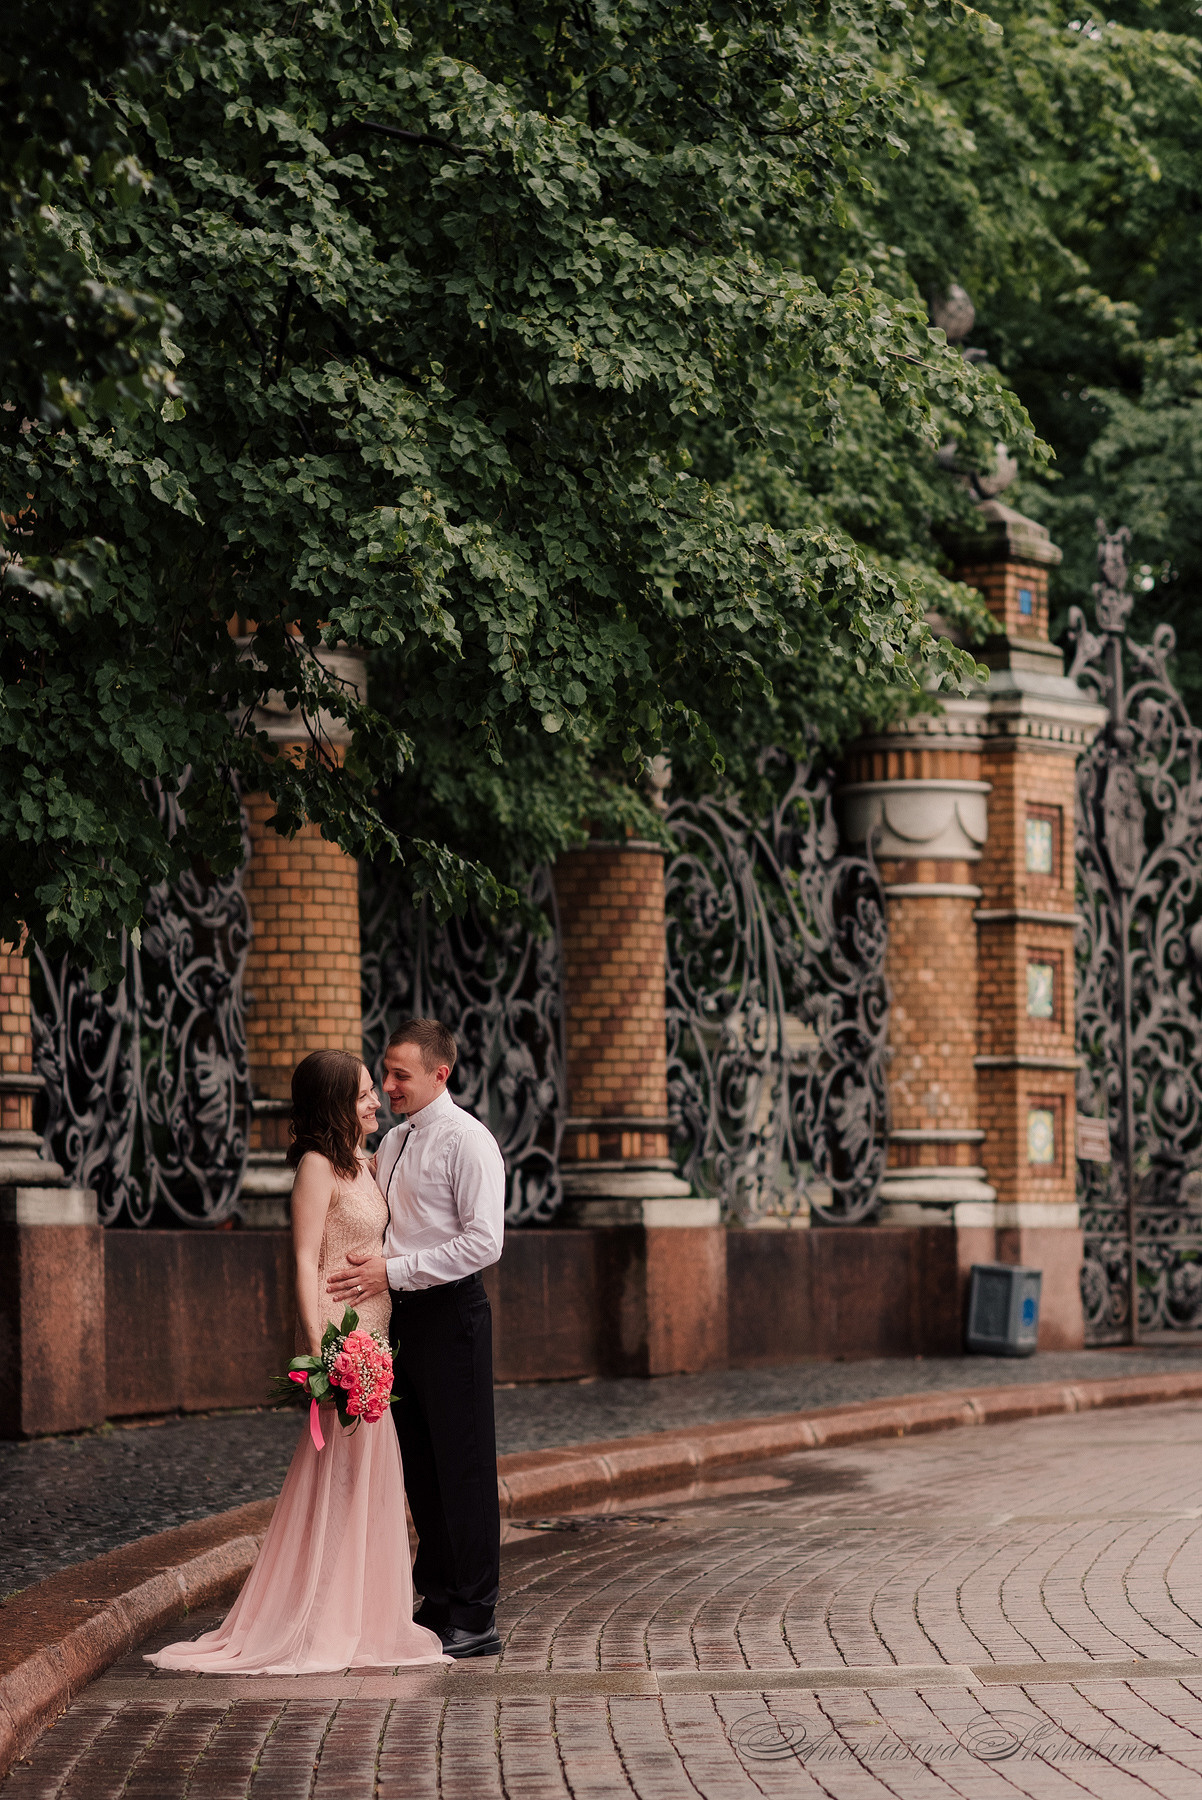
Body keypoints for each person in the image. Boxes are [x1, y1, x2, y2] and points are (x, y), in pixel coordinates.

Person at [146, 1050, 448, 1674]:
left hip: (378, 1339)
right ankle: (321, 1619)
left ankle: (363, 1618)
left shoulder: (363, 1163)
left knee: (368, 1486)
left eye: (374, 1091)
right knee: (338, 1486)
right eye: (365, 1093)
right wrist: (324, 1355)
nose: (375, 1102)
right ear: (336, 1102)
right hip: (348, 1342)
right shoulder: (316, 1167)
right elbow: (305, 1260)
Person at [326, 1019, 506, 1660]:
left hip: (454, 1314)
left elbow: (485, 1242)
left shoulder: (469, 1143)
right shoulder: (395, 1143)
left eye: (401, 1075)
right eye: (387, 1072)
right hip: (401, 1318)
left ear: (440, 1074)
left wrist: (392, 1271)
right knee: (421, 1465)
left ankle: (476, 1614)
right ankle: (436, 1598)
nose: (391, 1086)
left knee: (464, 1464)